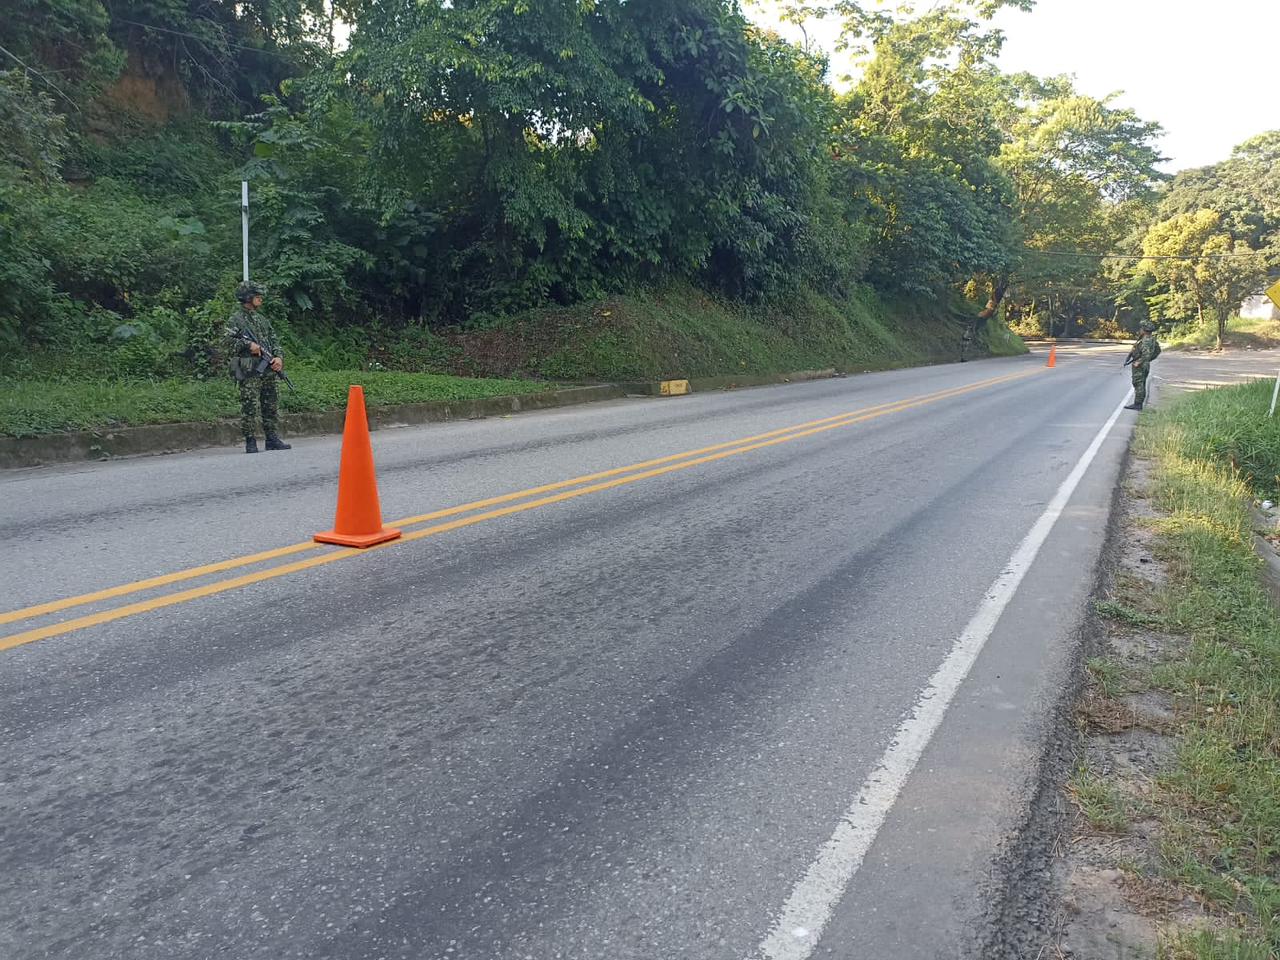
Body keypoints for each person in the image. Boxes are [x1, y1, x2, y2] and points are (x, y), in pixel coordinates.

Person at [225, 281, 291, 453]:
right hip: (249, 370)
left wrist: (278, 357)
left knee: (271, 403)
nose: (260, 299)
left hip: (267, 368)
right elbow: (227, 342)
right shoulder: (236, 319)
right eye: (257, 296)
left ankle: (272, 438)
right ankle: (250, 440)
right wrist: (247, 346)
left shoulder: (262, 320)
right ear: (248, 298)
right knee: (250, 405)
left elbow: (274, 340)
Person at [1124, 320, 1161, 411]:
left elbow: (1147, 354)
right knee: (1140, 383)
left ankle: (1138, 404)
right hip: (1143, 364)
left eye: (1141, 328)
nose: (1140, 330)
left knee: (1138, 383)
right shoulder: (1149, 339)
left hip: (1140, 365)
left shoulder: (1146, 340)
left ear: (1144, 329)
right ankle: (1138, 403)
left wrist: (1139, 362)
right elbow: (1157, 351)